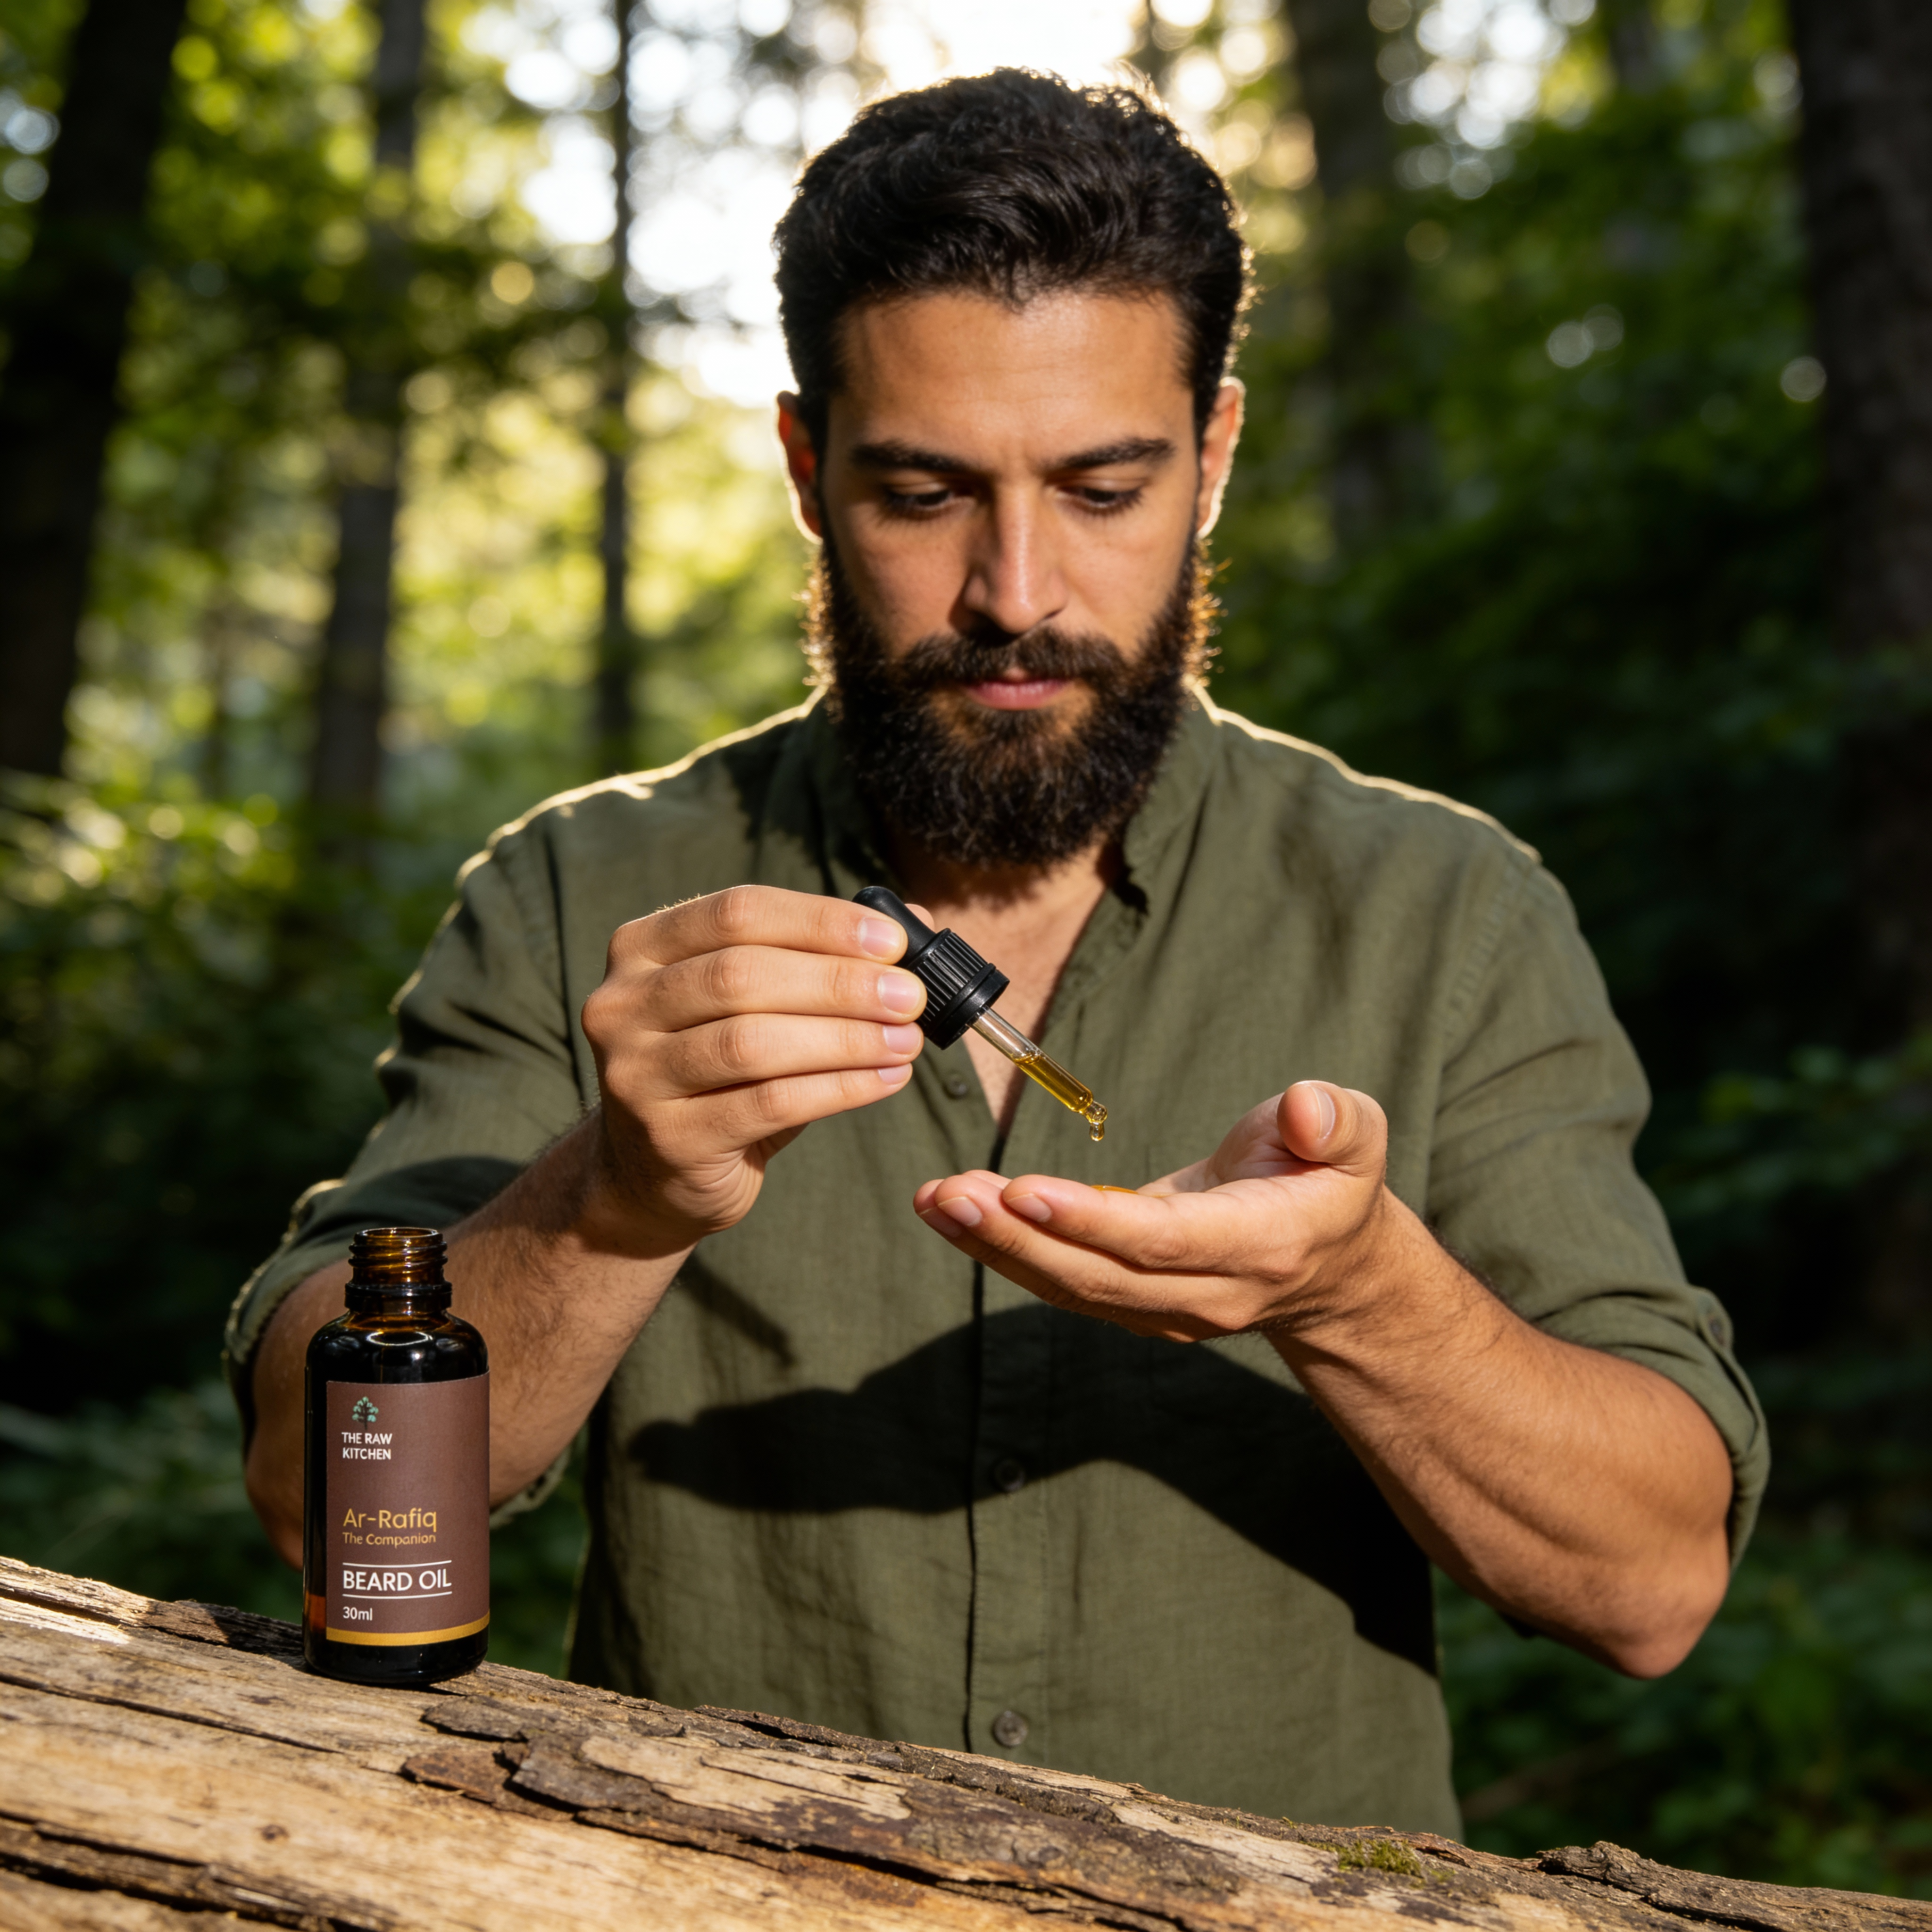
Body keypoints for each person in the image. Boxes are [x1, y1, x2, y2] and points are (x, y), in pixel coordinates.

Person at [230, 70, 1766, 1833]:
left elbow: (1655, 1589)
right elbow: (315, 1498)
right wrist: (613, 1197)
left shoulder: (1449, 913)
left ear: (1218, 455)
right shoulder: (584, 898)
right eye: (923, 493)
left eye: (1105, 488)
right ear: (809, 470)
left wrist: (1361, 1297)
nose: (1017, 591)